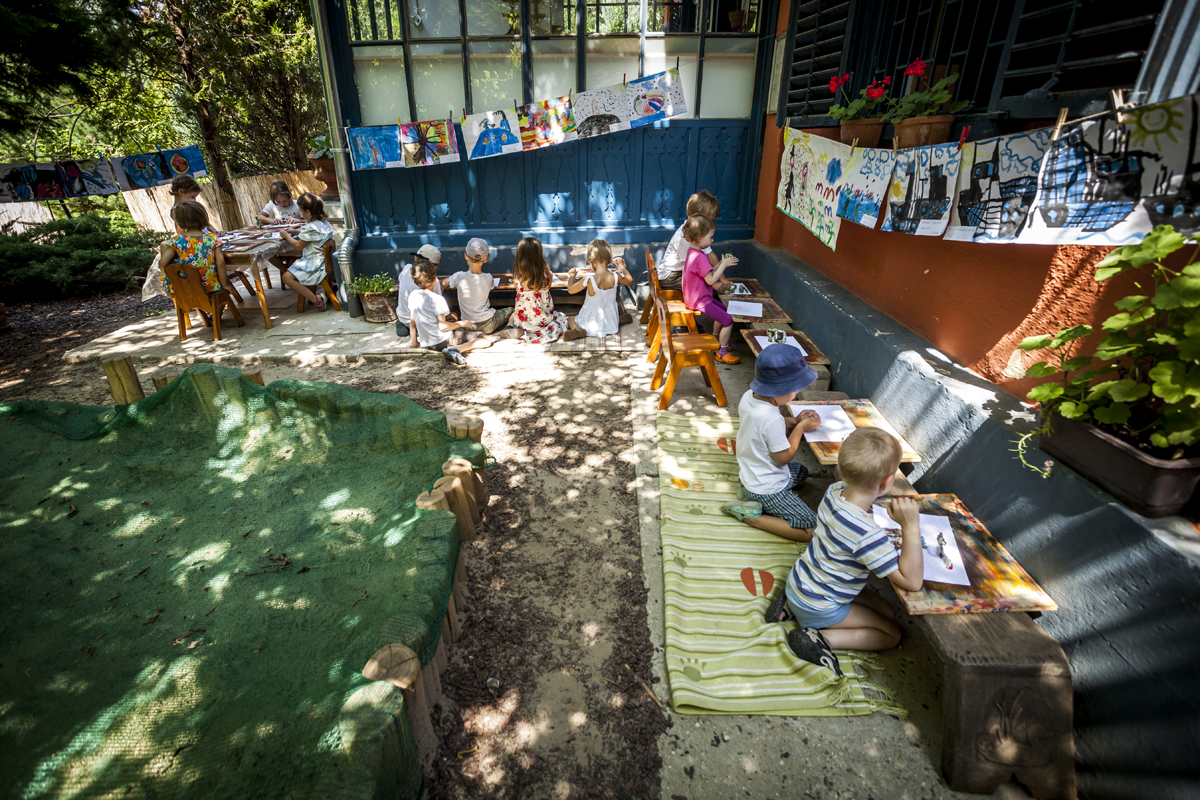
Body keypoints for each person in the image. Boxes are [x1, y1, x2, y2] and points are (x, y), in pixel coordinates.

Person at [770, 427, 925, 675]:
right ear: (887, 482)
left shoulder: (834, 491)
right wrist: (911, 526)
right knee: (891, 634)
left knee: (887, 611)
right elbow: (912, 582)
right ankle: (819, 638)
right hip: (820, 605)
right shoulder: (868, 535)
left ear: (842, 468)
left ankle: (790, 607)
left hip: (801, 582)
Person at [720, 344, 821, 541]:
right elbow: (782, 458)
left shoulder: (749, 397)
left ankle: (749, 495)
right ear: (779, 389)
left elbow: (766, 426)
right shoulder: (771, 419)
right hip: (767, 489)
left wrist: (796, 421)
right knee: (813, 530)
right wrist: (800, 429)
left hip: (751, 474)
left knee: (801, 471)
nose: (796, 393)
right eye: (794, 390)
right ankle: (752, 517)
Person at [681, 214, 740, 364]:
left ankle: (716, 339)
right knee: (728, 320)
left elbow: (707, 272)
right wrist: (724, 265)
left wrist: (719, 264)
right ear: (700, 238)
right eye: (711, 237)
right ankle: (722, 352)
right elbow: (711, 279)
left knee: (724, 310)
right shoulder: (700, 257)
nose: (712, 240)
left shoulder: (692, 252)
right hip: (700, 301)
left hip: (697, 298)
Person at [407, 260, 491, 365]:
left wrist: (414, 342)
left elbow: (412, 322)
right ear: (435, 279)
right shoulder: (437, 299)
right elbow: (443, 327)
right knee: (485, 340)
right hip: (443, 341)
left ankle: (455, 347)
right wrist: (461, 323)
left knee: (454, 321)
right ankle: (456, 349)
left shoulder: (413, 295)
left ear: (414, 280)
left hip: (426, 343)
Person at [561, 239, 634, 341]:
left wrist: (572, 275)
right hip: (610, 322)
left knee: (571, 319)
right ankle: (618, 320)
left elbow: (570, 290)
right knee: (611, 314)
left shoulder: (589, 279)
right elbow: (630, 281)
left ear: (591, 260)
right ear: (609, 258)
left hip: (591, 324)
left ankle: (577, 330)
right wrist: (621, 266)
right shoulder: (616, 275)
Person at [156, 200, 228, 297]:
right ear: (204, 218)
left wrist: (173, 279)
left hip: (185, 286)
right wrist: (224, 285)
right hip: (210, 286)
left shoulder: (177, 241)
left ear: (179, 222)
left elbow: (162, 263)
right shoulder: (212, 239)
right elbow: (221, 263)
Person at [446, 238, 514, 336]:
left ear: (465, 255)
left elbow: (444, 283)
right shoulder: (488, 277)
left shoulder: (458, 276)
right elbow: (491, 287)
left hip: (468, 325)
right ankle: (509, 327)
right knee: (512, 310)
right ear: (486, 259)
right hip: (488, 324)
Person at [278, 192, 334, 311]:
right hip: (325, 263)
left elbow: (298, 246)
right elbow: (314, 234)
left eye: (301, 211)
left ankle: (316, 300)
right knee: (290, 273)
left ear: (308, 211)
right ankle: (315, 297)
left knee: (287, 278)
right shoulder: (324, 223)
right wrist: (295, 231)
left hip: (314, 265)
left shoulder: (310, 228)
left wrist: (286, 235)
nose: (301, 214)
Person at [657, 190, 722, 291]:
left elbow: (711, 256)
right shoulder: (685, 237)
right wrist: (713, 285)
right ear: (696, 216)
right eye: (708, 220)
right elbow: (691, 269)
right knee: (704, 288)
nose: (710, 224)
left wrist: (723, 279)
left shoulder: (700, 233)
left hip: (682, 272)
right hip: (670, 276)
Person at [512, 236, 569, 344]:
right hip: (543, 320)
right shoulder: (547, 275)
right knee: (561, 318)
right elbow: (548, 287)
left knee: (512, 314)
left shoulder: (517, 279)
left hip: (524, 322)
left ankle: (513, 328)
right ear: (539, 254)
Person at [395, 244, 444, 340]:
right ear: (434, 266)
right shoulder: (434, 282)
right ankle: (417, 330)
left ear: (415, 258)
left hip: (403, 317)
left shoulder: (406, 269)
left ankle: (403, 325)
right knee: (452, 316)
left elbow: (401, 280)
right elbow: (437, 303)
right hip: (423, 323)